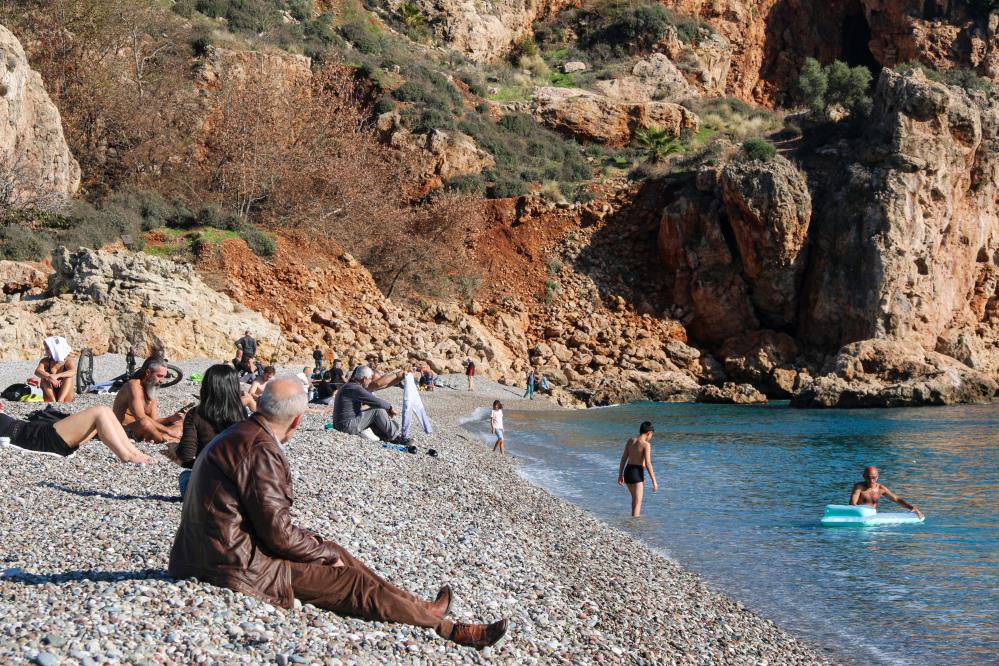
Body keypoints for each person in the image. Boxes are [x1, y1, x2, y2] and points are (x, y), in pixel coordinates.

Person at [169, 378, 507, 648]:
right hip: (233, 566)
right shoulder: (262, 449)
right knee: (352, 581)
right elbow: (278, 535)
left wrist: (325, 548)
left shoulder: (240, 434)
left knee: (337, 552)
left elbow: (266, 522)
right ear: (298, 420)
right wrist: (323, 550)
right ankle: (447, 629)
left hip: (205, 552)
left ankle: (420, 607)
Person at [0, 401, 155, 464]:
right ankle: (126, 455)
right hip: (37, 437)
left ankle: (134, 452)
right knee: (99, 412)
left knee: (105, 410)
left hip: (35, 431)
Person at [176, 364, 247, 496]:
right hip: (237, 486)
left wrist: (175, 451)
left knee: (185, 476)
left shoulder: (195, 414)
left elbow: (186, 454)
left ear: (207, 386)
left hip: (208, 486)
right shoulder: (241, 412)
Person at [112, 356, 187, 443]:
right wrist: (168, 430)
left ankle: (162, 437)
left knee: (180, 423)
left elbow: (154, 419)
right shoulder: (133, 385)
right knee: (145, 423)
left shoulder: (151, 389)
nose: (162, 381)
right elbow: (140, 418)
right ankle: (165, 438)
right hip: (124, 429)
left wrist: (171, 419)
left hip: (147, 426)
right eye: (159, 376)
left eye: (164, 377)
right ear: (148, 373)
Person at [331, 366, 409, 444]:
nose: (370, 381)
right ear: (364, 379)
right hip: (346, 426)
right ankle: (395, 437)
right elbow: (377, 402)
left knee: (373, 411)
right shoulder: (355, 388)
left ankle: (385, 436)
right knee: (377, 410)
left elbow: (381, 388)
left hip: (340, 425)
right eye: (370, 379)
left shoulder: (349, 386)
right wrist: (390, 408)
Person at [617, 421, 659, 517]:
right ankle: (635, 528)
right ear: (649, 433)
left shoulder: (630, 441)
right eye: (651, 435)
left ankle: (632, 522)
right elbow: (648, 463)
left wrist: (620, 475)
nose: (651, 438)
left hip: (628, 472)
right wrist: (654, 481)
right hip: (637, 473)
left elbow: (623, 459)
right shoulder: (646, 445)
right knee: (637, 503)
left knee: (634, 500)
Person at [850, 466, 924, 519]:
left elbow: (897, 499)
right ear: (864, 476)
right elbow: (852, 504)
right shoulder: (859, 487)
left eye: (874, 478)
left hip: (872, 517)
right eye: (868, 477)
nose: (871, 480)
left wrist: (912, 508)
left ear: (877, 477)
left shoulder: (881, 489)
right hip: (860, 517)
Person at [35, 337, 77, 403]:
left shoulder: (68, 360)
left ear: (55, 348)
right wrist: (49, 377)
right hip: (49, 394)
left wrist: (57, 376)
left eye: (48, 349)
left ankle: (61, 400)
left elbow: (73, 371)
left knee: (69, 377)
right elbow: (37, 371)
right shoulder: (45, 361)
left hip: (65, 394)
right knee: (44, 377)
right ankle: (53, 400)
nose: (46, 351)